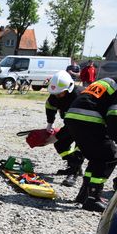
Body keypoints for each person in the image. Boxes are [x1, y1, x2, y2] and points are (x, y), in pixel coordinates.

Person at [64, 77, 117, 212]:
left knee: (96, 157)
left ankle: (84, 195)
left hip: (73, 117)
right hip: (90, 118)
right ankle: (93, 199)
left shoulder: (108, 82)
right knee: (109, 155)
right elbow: (114, 115)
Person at [45, 71, 86, 189]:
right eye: (55, 93)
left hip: (86, 126)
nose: (57, 96)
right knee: (60, 144)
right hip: (71, 123)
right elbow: (50, 106)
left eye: (60, 93)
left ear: (69, 88)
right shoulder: (56, 94)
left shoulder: (80, 96)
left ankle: (73, 174)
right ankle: (73, 165)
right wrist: (50, 123)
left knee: (79, 149)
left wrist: (56, 136)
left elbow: (75, 124)